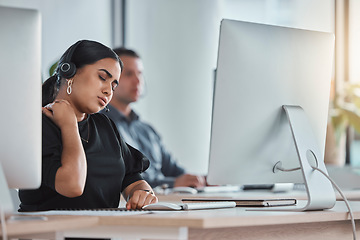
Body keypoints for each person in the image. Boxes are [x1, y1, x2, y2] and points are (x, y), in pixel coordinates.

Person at [19, 40, 158, 212]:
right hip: (50, 234)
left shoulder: (104, 126)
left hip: (101, 231)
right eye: (102, 78)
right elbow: (73, 186)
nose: (108, 90)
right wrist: (69, 125)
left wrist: (141, 192)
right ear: (69, 72)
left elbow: (131, 177)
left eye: (114, 85)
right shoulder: (39, 125)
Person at [102, 47, 206, 189]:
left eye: (139, 73)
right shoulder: (101, 126)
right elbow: (121, 180)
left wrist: (201, 180)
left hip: (164, 202)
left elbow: (176, 172)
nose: (137, 80)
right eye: (128, 74)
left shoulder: (146, 130)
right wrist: (172, 184)